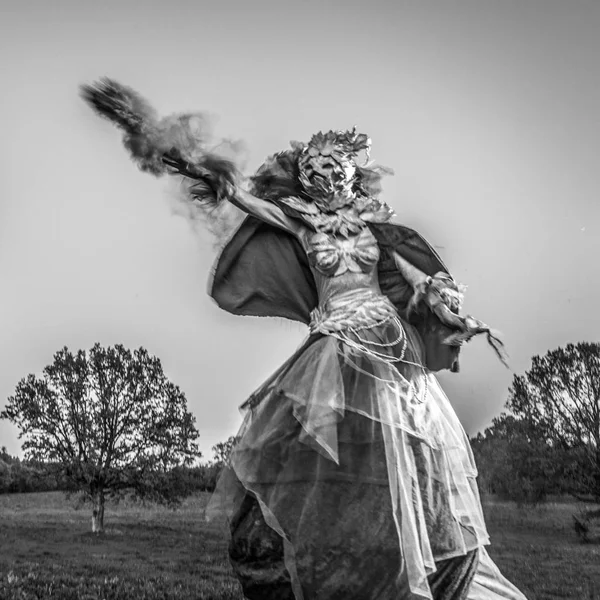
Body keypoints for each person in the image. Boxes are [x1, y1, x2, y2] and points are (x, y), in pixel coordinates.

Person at [81, 79, 528, 600]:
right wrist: (193, 165)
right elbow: (246, 200)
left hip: (386, 338)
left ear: (349, 173)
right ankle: (310, 536)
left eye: (327, 166)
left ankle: (415, 543)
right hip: (335, 337)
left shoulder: (375, 231)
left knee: (400, 438)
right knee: (309, 428)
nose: (318, 174)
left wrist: (446, 307)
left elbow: (415, 279)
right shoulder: (302, 225)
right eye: (309, 168)